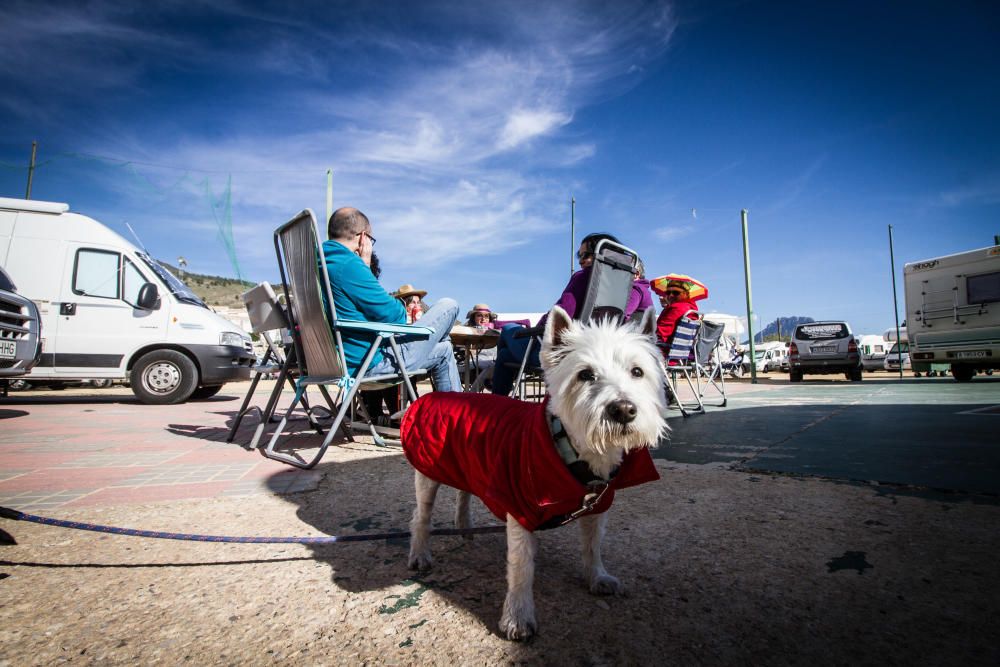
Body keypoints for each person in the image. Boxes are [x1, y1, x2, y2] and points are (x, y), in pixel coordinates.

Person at [322, 207, 461, 392]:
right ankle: (450, 417)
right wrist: (364, 264)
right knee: (449, 305)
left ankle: (448, 416)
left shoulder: (316, 264)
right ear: (363, 237)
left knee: (444, 349)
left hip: (332, 363)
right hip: (368, 364)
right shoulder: (347, 264)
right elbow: (395, 316)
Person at [490, 232, 640, 396]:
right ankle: (499, 398)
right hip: (596, 354)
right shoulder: (623, 285)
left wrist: (539, 327)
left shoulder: (583, 277)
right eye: (579, 256)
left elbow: (561, 313)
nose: (581, 260)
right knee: (505, 357)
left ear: (602, 255)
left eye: (587, 255)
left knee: (508, 329)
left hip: (564, 355)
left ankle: (498, 404)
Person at [655, 280, 700, 355]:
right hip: (682, 355)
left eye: (676, 293)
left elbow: (660, 334)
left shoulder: (676, 308)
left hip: (663, 353)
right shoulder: (692, 310)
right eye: (668, 293)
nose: (670, 295)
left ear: (686, 294)